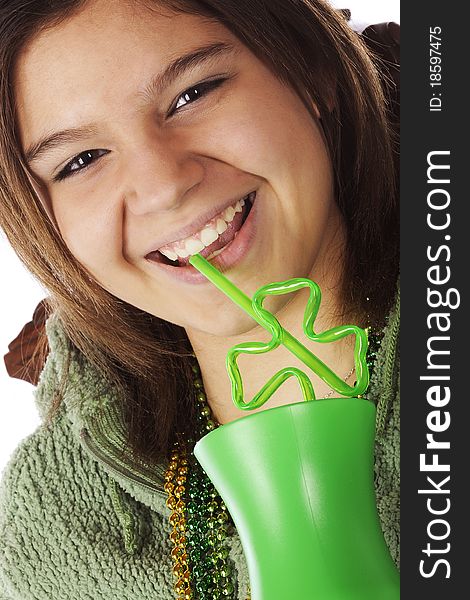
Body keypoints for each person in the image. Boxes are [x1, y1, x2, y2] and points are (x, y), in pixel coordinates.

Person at [0, 1, 400, 598]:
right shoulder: (50, 534)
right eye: (82, 160)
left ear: (310, 74)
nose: (164, 185)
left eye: (194, 93)